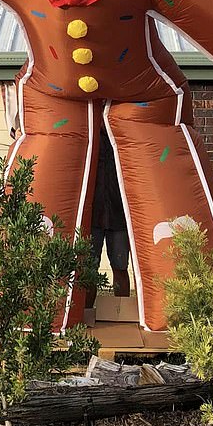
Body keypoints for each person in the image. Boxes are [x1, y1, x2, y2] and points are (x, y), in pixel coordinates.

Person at [85, 127, 130, 310]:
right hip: (92, 215)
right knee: (89, 269)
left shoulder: (122, 136)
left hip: (118, 215)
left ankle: (122, 313)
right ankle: (87, 313)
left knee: (120, 267)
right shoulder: (89, 136)